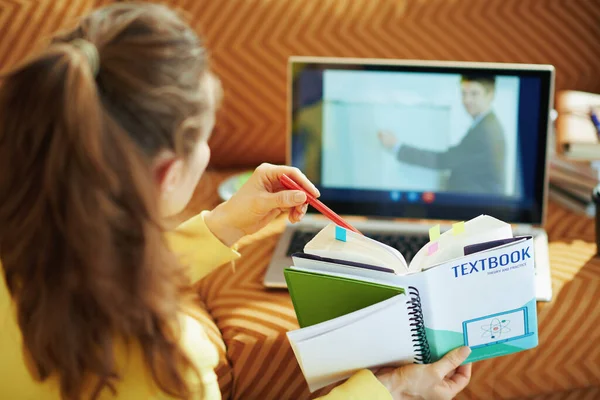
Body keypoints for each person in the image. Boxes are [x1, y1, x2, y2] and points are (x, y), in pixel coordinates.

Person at [0, 3, 472, 399]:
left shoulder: (27, 244)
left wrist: (225, 223)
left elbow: (107, 266)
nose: (209, 154)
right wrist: (388, 390)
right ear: (168, 175)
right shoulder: (168, 363)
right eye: (206, 141)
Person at [378, 75, 506, 195]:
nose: (467, 100)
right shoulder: (485, 125)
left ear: (490, 95)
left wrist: (397, 147)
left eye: (474, 94)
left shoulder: (485, 130)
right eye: (464, 93)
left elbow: (443, 160)